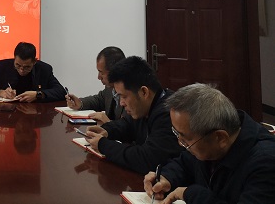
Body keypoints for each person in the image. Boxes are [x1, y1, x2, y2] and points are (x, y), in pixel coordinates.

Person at [144, 83, 275, 204]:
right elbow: (185, 162)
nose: (180, 142)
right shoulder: (208, 143)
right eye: (176, 133)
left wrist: (191, 194)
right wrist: (167, 177)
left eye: (185, 138)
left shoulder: (266, 163)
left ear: (220, 138)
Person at [85, 56, 183, 174]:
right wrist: (106, 131)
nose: (121, 103)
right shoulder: (145, 107)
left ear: (144, 92)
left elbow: (148, 159)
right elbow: (127, 124)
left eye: (124, 96)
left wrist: (103, 145)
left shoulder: (170, 113)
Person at [0, 42, 66, 102]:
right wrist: (0, 92)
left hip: (35, 115)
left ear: (34, 61)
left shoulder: (44, 69)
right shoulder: (2, 66)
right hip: (8, 115)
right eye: (18, 65)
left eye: (27, 67)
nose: (22, 70)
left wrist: (38, 94)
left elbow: (61, 92)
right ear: (14, 59)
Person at [66, 46, 126, 124]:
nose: (98, 77)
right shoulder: (110, 88)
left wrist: (108, 122)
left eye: (101, 73)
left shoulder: (131, 93)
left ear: (114, 71)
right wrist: (80, 103)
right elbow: (99, 100)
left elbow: (130, 128)